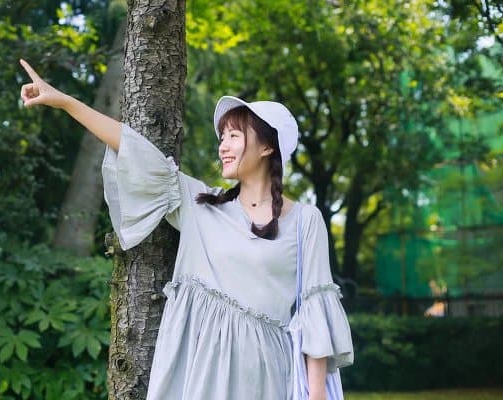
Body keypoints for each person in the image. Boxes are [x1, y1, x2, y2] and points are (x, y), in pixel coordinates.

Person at [19, 59, 353, 400]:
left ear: (268, 147)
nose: (223, 146)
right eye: (222, 136)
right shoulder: (201, 205)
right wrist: (65, 101)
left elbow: (315, 311)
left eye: (234, 135)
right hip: (197, 374)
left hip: (266, 377)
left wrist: (316, 396)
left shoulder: (305, 220)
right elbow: (133, 148)